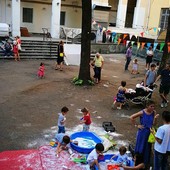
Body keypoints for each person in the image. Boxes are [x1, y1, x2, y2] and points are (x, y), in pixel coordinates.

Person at [130, 100, 159, 166]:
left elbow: (154, 124)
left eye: (153, 106)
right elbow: (131, 117)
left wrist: (155, 118)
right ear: (147, 106)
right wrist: (137, 125)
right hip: (142, 132)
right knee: (140, 146)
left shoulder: (154, 112)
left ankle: (145, 162)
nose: (152, 108)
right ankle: (137, 160)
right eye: (151, 106)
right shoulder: (142, 112)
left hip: (150, 132)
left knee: (147, 147)